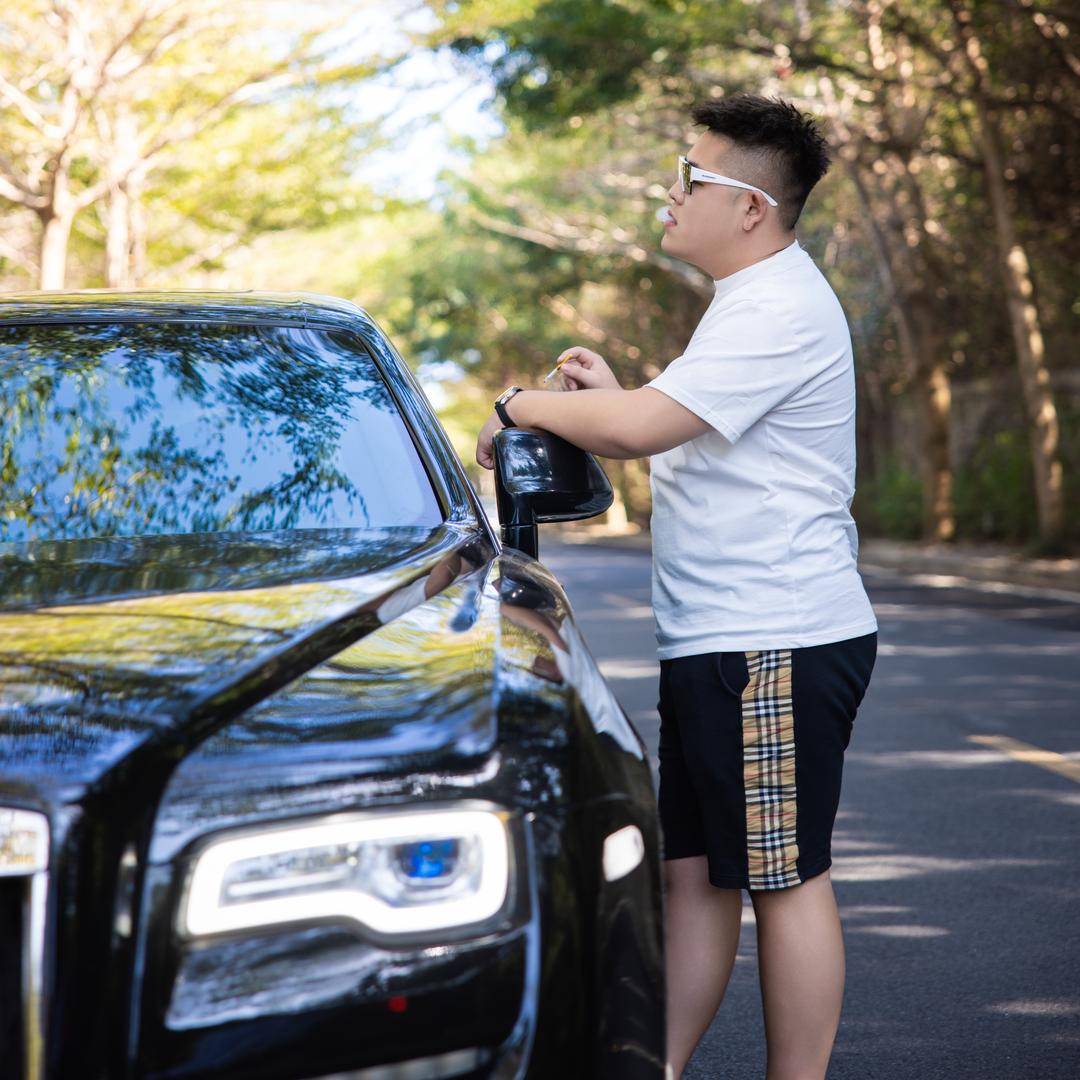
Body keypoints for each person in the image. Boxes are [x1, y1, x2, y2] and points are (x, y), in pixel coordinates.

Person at [475, 93, 878, 1080]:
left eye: (691, 178)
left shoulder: (781, 302)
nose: (671, 192)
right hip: (723, 640)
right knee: (694, 878)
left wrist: (514, 408)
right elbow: (671, 426)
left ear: (749, 206)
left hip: (773, 637)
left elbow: (648, 431)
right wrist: (615, 401)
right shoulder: (743, 305)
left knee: (784, 881)